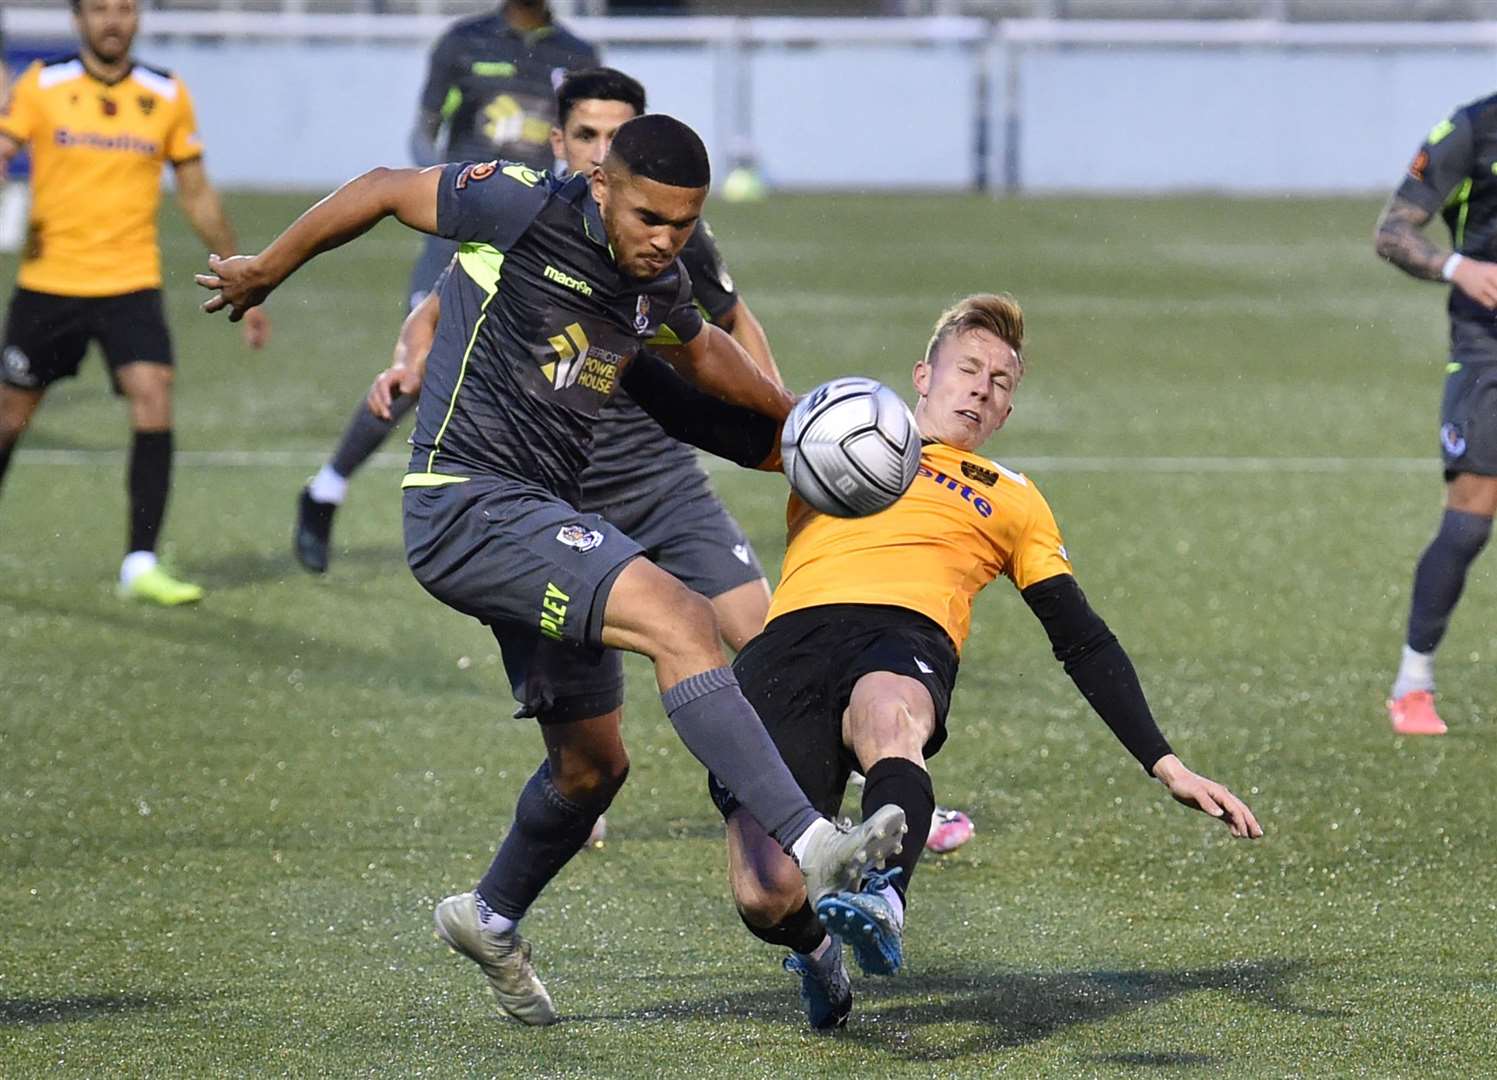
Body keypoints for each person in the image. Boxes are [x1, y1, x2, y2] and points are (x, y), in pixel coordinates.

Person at [196, 113, 907, 1026]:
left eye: (683, 225)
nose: (665, 241)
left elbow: (700, 355)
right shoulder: (520, 204)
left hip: (543, 520)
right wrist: (264, 270)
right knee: (682, 620)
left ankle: (489, 917)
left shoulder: (656, 279)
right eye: (649, 218)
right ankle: (814, 843)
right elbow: (380, 186)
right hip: (463, 499)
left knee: (590, 768)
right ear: (602, 184)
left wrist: (798, 423)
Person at [366, 66, 977, 855]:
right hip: (557, 489)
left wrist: (798, 422)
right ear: (568, 147)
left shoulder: (674, 237)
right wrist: (407, 360)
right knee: (638, 656)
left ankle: (877, 785)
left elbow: (722, 334)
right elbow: (441, 301)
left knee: (766, 635)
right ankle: (591, 794)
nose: (597, 147)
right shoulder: (521, 219)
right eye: (585, 134)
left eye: (613, 131)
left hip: (658, 476)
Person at [707, 294, 1264, 1030]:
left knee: (888, 718)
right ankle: (816, 953)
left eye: (1001, 382)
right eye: (968, 369)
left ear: (1006, 412)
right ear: (923, 378)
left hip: (905, 635)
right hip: (789, 643)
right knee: (764, 895)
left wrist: (1164, 761)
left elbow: (1081, 637)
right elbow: (707, 421)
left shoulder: (1012, 499)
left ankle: (882, 897)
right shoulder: (846, 430)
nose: (981, 387)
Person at [293, 0, 596, 570]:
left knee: (558, 374)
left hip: (537, 241)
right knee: (422, 366)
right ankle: (326, 490)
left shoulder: (577, 56)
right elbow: (424, 130)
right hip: (462, 234)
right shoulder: (463, 43)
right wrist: (440, 195)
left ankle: (536, 517)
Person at [0, 0, 268, 605]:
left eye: (123, 8)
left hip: (129, 283)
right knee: (9, 419)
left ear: (138, 19)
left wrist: (244, 274)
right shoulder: (43, 84)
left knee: (154, 395)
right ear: (79, 20)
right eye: (99, 9)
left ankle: (139, 562)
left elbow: (195, 191)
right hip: (49, 284)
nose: (112, 20)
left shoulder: (166, 94)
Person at [1374, 96, 1497, 737]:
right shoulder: (1473, 131)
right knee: (1471, 519)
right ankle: (1412, 685)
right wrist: (1458, 266)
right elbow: (1393, 231)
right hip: (1489, 350)